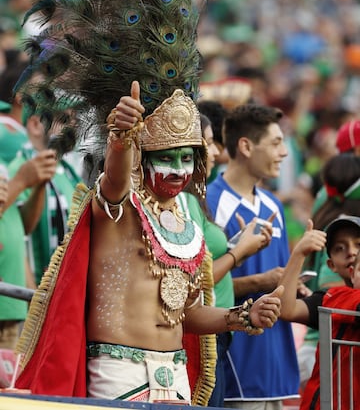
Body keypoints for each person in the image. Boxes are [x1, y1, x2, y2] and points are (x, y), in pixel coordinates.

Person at [14, 83, 283, 403]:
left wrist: (239, 316)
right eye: (166, 158)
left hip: (177, 377)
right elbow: (115, 179)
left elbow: (189, 314)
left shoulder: (189, 223)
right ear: (142, 158)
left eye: (186, 157)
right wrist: (121, 138)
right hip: (118, 375)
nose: (178, 169)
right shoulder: (120, 207)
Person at [206, 103, 301, 409]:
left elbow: (281, 274)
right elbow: (196, 289)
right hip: (235, 365)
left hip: (274, 366)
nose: (284, 153)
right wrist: (260, 281)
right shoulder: (210, 202)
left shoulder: (274, 205)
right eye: (275, 143)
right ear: (246, 146)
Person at [181, 113, 273, 407]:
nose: (217, 152)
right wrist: (239, 253)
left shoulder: (196, 197)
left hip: (213, 331)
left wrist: (238, 243)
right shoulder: (185, 201)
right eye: (209, 143)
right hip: (201, 335)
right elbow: (193, 283)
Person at [279, 214, 360, 410]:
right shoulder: (330, 298)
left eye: (358, 244)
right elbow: (284, 309)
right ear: (331, 265)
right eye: (340, 248)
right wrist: (299, 253)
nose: (351, 252)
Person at [8, 110, 81, 285]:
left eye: (74, 120)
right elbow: (19, 235)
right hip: (33, 294)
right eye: (63, 119)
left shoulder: (69, 174)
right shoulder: (18, 171)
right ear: (34, 125)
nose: (73, 126)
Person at [0, 151, 57, 350]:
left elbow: (20, 228)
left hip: (12, 305)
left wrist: (38, 185)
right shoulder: (15, 167)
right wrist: (20, 182)